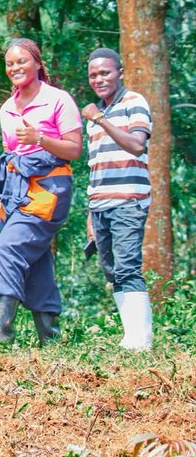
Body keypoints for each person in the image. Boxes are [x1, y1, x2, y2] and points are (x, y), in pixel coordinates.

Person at [0, 38, 82, 346]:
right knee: (36, 260)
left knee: (8, 250)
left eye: (22, 61)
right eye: (10, 63)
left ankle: (2, 337)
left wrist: (40, 138)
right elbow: (8, 162)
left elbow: (75, 148)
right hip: (17, 192)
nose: (15, 67)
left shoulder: (58, 99)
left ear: (38, 64)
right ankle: (50, 339)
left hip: (50, 190)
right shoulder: (7, 108)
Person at [82, 47, 153, 351]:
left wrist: (101, 119)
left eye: (105, 72)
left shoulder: (133, 103)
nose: (99, 79)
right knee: (111, 270)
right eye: (93, 75)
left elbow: (137, 145)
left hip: (128, 200)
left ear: (120, 72)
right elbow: (95, 166)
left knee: (127, 268)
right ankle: (131, 336)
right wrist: (90, 213)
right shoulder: (95, 116)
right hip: (100, 204)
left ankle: (141, 340)